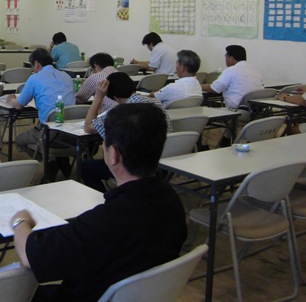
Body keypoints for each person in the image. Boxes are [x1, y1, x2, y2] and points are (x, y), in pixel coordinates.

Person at [10, 103, 187, 301]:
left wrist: (20, 221)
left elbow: (28, 256)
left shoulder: (106, 221)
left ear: (114, 154)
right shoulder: (172, 202)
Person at [82, 72, 172, 192]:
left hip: (134, 167)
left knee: (86, 167)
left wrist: (98, 97)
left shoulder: (121, 113)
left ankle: (106, 199)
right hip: (160, 161)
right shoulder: (156, 103)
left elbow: (88, 127)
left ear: (115, 98)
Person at [10, 48, 75, 178]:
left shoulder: (35, 78)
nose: (32, 68)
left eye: (32, 65)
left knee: (19, 140)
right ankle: (59, 160)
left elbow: (18, 106)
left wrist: (10, 99)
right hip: (72, 134)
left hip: (49, 133)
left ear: (37, 64)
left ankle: (50, 160)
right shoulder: (67, 76)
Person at [201, 45, 264, 109]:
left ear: (231, 58)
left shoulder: (231, 70)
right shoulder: (255, 70)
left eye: (226, 56)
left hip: (237, 110)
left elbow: (214, 89)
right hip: (256, 109)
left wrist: (200, 86)